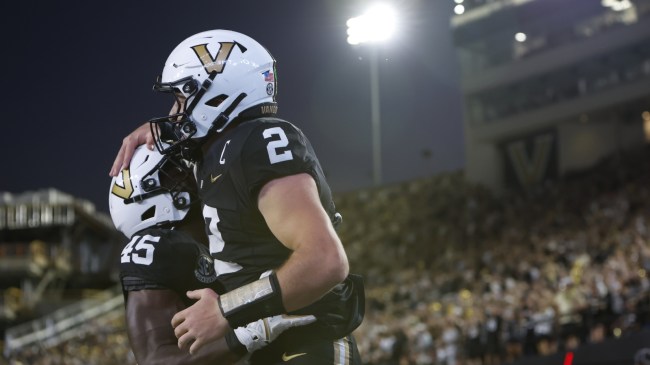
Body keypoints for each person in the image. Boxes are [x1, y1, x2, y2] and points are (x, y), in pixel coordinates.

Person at [109, 29, 365, 364]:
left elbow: (325, 261)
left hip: (308, 343)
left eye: (182, 98)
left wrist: (227, 309)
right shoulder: (220, 152)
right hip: (272, 348)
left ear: (218, 93)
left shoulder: (259, 139)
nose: (174, 112)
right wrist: (160, 136)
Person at [109, 144, 316, 365]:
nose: (192, 174)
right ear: (147, 200)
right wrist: (250, 333)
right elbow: (155, 359)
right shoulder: (155, 249)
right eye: (176, 173)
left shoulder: (226, 225)